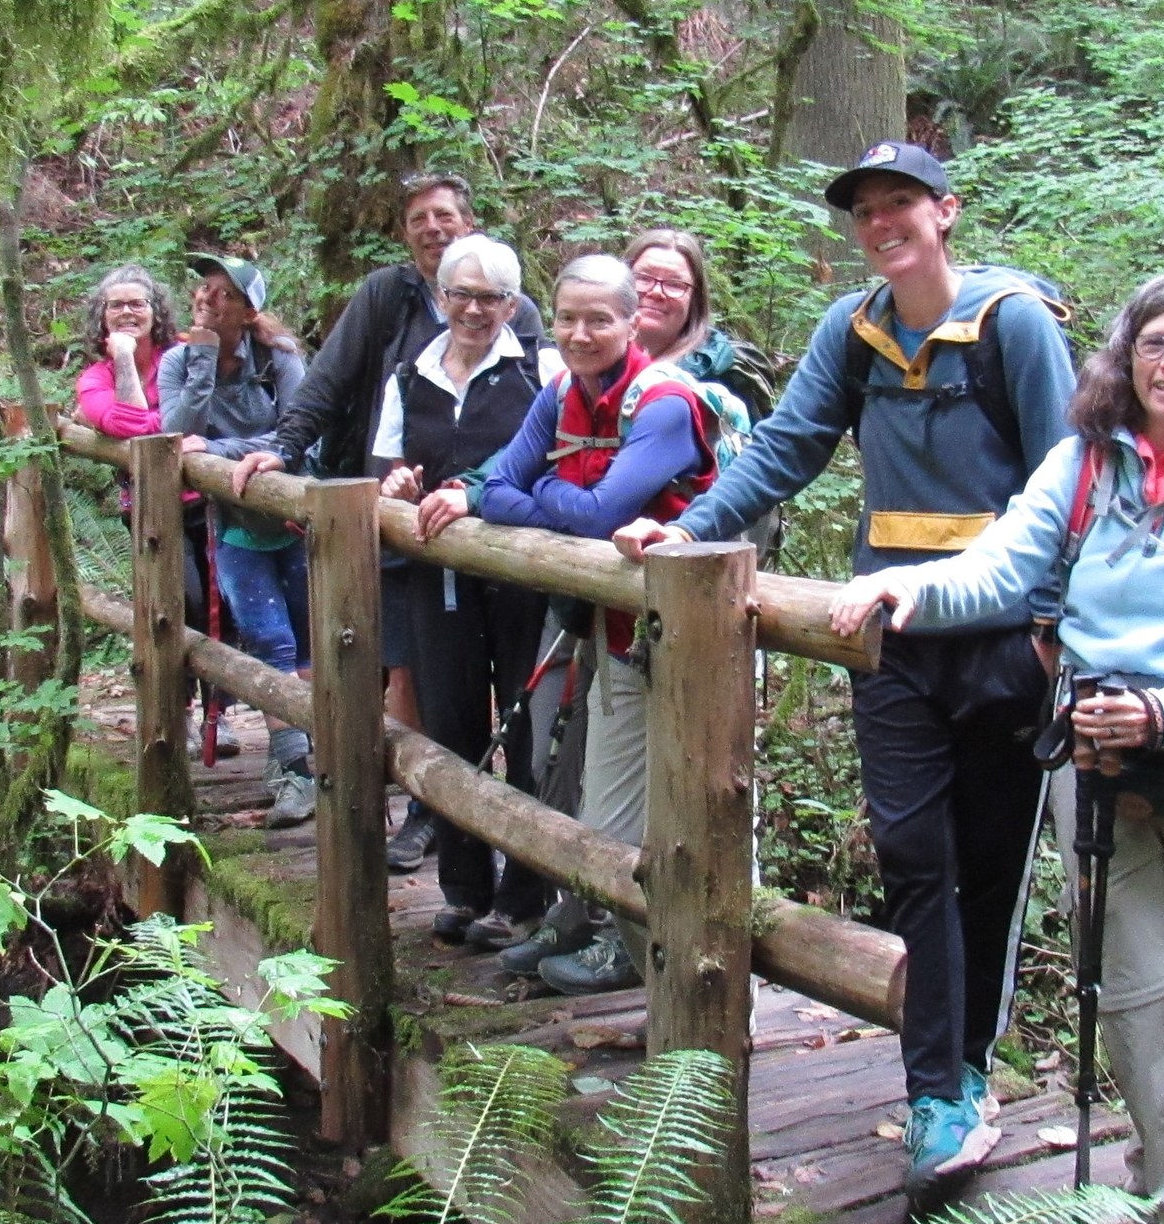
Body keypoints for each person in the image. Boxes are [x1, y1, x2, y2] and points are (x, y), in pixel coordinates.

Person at [828, 269, 1164, 1224]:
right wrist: (911, 591)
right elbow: (1007, 562)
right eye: (1155, 341)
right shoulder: (1084, 466)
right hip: (1094, 759)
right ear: (1123, 355)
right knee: (1142, 998)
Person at [613, 142, 1077, 1205]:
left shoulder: (1012, 328)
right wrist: (683, 532)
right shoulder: (853, 330)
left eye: (900, 203)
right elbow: (783, 448)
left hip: (1004, 638)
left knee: (988, 865)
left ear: (944, 212)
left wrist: (1049, 631)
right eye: (865, 209)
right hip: (886, 635)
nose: (881, 223)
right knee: (914, 851)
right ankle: (934, 1092)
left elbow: (1068, 476)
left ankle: (965, 1065)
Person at [230, 174, 546, 875]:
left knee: (498, 687)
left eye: (445, 216)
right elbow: (334, 379)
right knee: (411, 666)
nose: (432, 228)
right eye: (417, 219)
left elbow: (542, 427)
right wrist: (285, 449)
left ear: (470, 223)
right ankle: (424, 812)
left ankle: (507, 855)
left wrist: (478, 486)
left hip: (497, 529)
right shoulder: (388, 297)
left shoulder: (513, 311)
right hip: (398, 512)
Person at [496, 226, 773, 980]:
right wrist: (561, 497)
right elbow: (497, 485)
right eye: (568, 318)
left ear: (629, 325)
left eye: (600, 319)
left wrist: (546, 494)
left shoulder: (668, 402)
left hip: (699, 637)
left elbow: (591, 515)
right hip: (620, 635)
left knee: (710, 807)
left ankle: (711, 977)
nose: (582, 333)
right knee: (609, 824)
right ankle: (648, 960)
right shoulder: (562, 392)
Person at [372, 234, 565, 947]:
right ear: (441, 298)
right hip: (437, 574)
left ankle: (522, 897)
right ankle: (462, 888)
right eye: (462, 294)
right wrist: (398, 485)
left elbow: (554, 460)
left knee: (524, 728)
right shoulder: (409, 375)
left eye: (491, 297)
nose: (475, 309)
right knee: (451, 723)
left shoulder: (541, 369)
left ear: (513, 305)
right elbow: (389, 468)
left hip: (521, 573)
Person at [159, 254, 312, 827]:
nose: (206, 298)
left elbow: (299, 433)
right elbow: (178, 431)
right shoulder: (179, 360)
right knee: (272, 641)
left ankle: (314, 755)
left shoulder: (280, 360)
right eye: (204, 287)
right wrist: (201, 356)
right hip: (236, 526)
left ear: (249, 311)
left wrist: (222, 451)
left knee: (309, 645)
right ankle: (293, 771)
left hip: (295, 523)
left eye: (222, 293)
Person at [73, 266, 237, 761]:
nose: (126, 312)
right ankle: (181, 710)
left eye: (136, 304)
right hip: (149, 511)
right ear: (101, 318)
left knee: (222, 604)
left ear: (156, 312)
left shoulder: (183, 355)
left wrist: (157, 421)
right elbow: (131, 424)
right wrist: (125, 365)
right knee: (178, 602)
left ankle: (218, 716)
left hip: (206, 504)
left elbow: (197, 413)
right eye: (115, 305)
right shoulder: (96, 376)